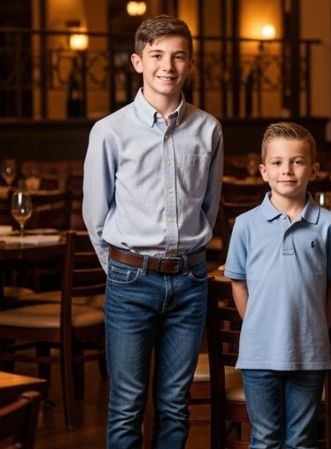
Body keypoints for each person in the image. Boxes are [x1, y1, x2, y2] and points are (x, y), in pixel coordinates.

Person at [82, 15, 223, 449]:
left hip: (190, 281)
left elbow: (209, 206)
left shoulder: (209, 129)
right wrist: (123, 268)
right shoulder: (109, 131)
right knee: (127, 403)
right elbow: (95, 214)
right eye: (158, 55)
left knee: (174, 403)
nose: (168, 65)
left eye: (179, 56)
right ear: (137, 62)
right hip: (130, 280)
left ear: (191, 64)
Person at [224, 122, 331, 448]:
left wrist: (320, 324)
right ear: (264, 171)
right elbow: (237, 281)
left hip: (310, 352)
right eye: (277, 163)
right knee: (264, 437)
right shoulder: (246, 225)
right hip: (258, 353)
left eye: (297, 161)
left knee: (302, 439)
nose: (287, 171)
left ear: (314, 169)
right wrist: (254, 323)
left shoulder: (329, 225)